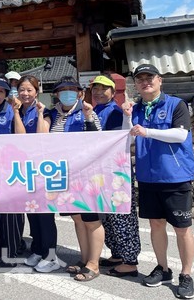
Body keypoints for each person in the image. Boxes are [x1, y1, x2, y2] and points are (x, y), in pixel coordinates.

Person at [122, 64, 194, 299]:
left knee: (182, 229)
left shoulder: (176, 104)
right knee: (155, 224)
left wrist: (148, 131)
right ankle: (163, 269)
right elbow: (127, 138)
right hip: (147, 176)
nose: (145, 82)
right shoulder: (135, 109)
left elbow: (180, 135)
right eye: (140, 79)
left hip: (176, 177)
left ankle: (186, 274)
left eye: (149, 77)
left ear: (159, 80)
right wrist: (126, 115)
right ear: (136, 84)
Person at [46, 76, 103, 281]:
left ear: (80, 93)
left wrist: (88, 117)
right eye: (63, 90)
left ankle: (94, 264)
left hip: (87, 175)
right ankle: (85, 258)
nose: (67, 93)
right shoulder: (53, 114)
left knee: (92, 219)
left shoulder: (87, 112)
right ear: (56, 94)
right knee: (77, 218)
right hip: (64, 175)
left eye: (72, 90)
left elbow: (99, 140)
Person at [91, 74, 141, 278]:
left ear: (113, 92)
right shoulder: (94, 110)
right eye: (95, 89)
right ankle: (117, 254)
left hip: (118, 171)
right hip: (102, 171)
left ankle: (130, 261)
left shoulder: (117, 111)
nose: (99, 92)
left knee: (123, 215)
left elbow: (124, 137)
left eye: (104, 89)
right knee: (109, 215)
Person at [15, 75, 57, 272]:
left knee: (45, 214)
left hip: (42, 169)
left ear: (37, 91)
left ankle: (51, 255)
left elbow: (42, 136)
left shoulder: (44, 110)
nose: (25, 93)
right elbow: (20, 137)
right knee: (32, 211)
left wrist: (40, 114)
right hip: (25, 170)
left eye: (29, 90)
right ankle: (39, 249)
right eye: (21, 89)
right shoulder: (18, 110)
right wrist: (15, 112)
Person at [0, 75, 26, 268]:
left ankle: (11, 252)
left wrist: (17, 113)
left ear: (6, 94)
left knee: (11, 212)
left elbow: (21, 137)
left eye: (1, 91)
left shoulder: (12, 110)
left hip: (10, 168)